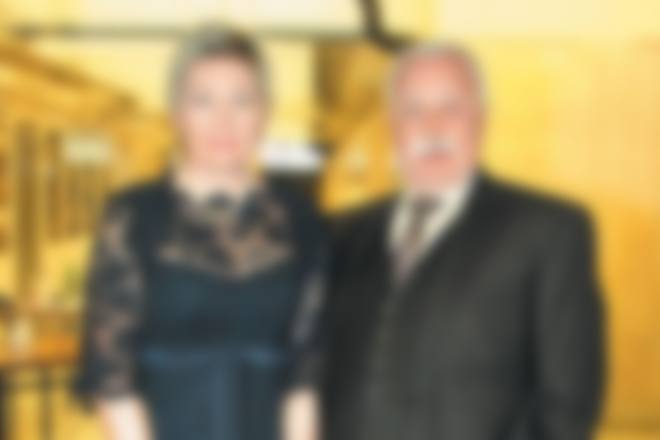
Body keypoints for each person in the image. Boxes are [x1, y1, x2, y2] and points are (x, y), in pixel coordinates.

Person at [323, 44, 604, 440]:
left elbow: (567, 404)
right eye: (413, 110)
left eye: (451, 107)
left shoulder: (547, 232)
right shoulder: (341, 236)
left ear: (481, 119)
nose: (432, 128)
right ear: (392, 126)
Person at [76, 26, 325, 440]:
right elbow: (113, 377)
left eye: (242, 100)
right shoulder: (134, 218)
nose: (223, 120)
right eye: (203, 101)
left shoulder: (302, 220)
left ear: (265, 112)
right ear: (176, 114)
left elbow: (305, 375)